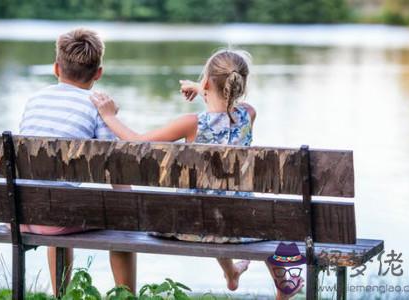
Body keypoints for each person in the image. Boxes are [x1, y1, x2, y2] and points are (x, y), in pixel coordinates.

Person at [91, 49, 304, 298]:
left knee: (209, 206)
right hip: (242, 225)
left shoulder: (192, 123)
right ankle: (274, 284)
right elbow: (231, 102)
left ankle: (232, 272)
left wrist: (108, 116)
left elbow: (138, 142)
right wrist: (203, 87)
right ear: (239, 84)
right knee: (238, 214)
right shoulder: (249, 115)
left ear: (206, 82)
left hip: (188, 224)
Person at [18, 28, 136, 294]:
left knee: (56, 199)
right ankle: (127, 296)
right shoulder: (96, 107)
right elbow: (116, 170)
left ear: (56, 68)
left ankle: (60, 294)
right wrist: (130, 207)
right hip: (56, 217)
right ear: (98, 73)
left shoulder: (34, 100)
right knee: (120, 219)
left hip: (21, 212)